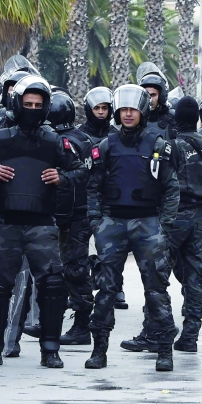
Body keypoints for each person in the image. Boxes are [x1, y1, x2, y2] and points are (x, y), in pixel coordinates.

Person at [0, 75, 84, 369]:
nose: (33, 108)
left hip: (42, 224)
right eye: (28, 103)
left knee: (51, 286)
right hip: (5, 222)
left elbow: (83, 171)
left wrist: (63, 177)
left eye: (38, 104)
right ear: (17, 104)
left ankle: (50, 349)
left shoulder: (55, 142)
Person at [86, 85, 179, 372]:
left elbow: (171, 188)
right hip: (112, 224)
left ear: (143, 112)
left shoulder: (158, 144)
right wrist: (96, 222)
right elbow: (93, 188)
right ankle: (99, 350)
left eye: (133, 110)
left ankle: (164, 350)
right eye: (123, 110)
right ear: (117, 112)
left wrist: (164, 225)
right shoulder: (105, 146)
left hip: (148, 223)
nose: (128, 114)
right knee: (105, 290)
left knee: (156, 288)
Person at [168, 97, 202, 352]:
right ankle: (190, 337)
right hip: (199, 218)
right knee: (194, 279)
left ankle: (157, 332)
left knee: (158, 276)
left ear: (176, 117)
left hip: (173, 218)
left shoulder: (171, 146)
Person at [47, 90, 95, 345]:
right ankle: (53, 321)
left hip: (71, 217)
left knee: (74, 270)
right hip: (72, 215)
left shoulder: (60, 141)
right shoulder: (83, 139)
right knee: (62, 270)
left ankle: (81, 326)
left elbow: (80, 177)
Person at [78, 86, 129, 310]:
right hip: (82, 197)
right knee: (82, 249)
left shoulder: (116, 136)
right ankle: (83, 289)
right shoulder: (78, 136)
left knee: (113, 247)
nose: (101, 112)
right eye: (97, 108)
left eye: (105, 108)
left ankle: (116, 287)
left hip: (110, 198)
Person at [139, 65, 176, 141]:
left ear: (162, 96)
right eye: (146, 95)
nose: (149, 99)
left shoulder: (174, 119)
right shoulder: (136, 119)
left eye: (153, 95)